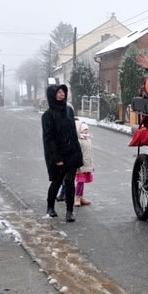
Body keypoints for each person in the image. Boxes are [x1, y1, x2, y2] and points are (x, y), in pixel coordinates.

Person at [41, 84, 83, 222]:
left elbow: (72, 133)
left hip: (71, 151)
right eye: (58, 92)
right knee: (57, 181)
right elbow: (49, 138)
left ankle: (69, 211)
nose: (61, 94)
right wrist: (56, 157)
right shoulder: (48, 115)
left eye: (63, 91)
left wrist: (78, 153)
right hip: (57, 153)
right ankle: (50, 207)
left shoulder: (69, 110)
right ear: (52, 95)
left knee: (70, 182)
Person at [74, 120, 94, 208]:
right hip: (81, 166)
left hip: (87, 165)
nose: (86, 131)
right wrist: (78, 167)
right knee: (80, 182)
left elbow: (90, 153)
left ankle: (81, 197)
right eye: (84, 130)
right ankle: (77, 198)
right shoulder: (79, 141)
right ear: (80, 131)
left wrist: (91, 165)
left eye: (87, 129)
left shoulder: (88, 140)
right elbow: (77, 154)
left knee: (82, 182)